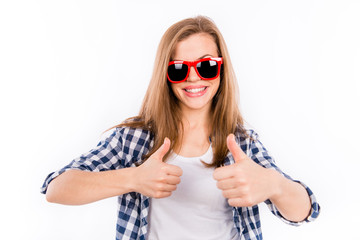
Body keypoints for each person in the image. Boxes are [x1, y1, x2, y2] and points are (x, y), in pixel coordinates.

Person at [41, 16, 320, 240]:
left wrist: (274, 184)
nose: (194, 77)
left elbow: (306, 211)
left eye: (207, 66)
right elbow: (56, 188)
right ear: (166, 76)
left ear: (221, 70)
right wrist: (135, 178)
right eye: (179, 68)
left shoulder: (242, 143)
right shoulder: (133, 138)